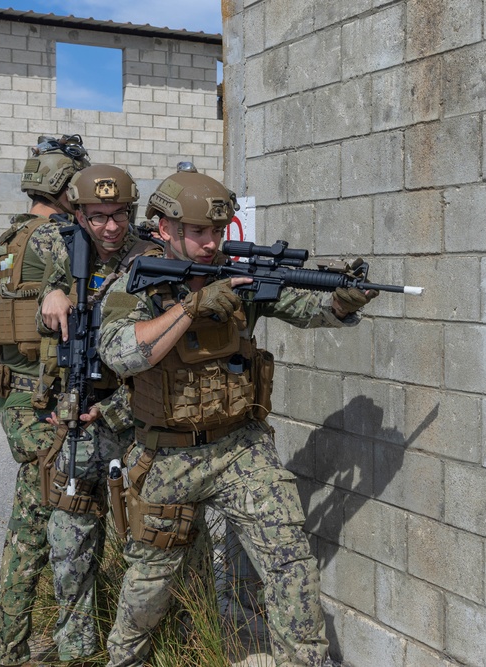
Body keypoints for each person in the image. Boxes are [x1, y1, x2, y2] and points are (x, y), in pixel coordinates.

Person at [97, 163, 375, 667]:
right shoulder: (136, 284)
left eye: (218, 232)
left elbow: (305, 307)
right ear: (164, 229)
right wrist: (190, 309)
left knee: (290, 561)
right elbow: (120, 354)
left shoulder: (238, 277)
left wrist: (339, 303)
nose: (210, 243)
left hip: (241, 448)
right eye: (198, 232)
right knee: (150, 585)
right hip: (166, 456)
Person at [36, 163, 167, 664]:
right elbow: (48, 321)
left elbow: (162, 354)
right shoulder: (72, 252)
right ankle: (77, 652)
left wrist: (111, 409)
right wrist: (51, 295)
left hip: (133, 422)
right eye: (97, 217)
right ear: (80, 214)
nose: (109, 228)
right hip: (76, 423)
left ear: (131, 213)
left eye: (118, 216)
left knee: (144, 544)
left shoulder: (153, 260)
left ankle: (141, 651)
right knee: (69, 541)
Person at [0, 134, 90, 667]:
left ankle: (13, 645)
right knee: (37, 523)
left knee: (38, 515)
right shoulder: (58, 239)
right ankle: (10, 650)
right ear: (65, 185)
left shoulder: (10, 239)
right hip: (45, 403)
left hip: (15, 396)